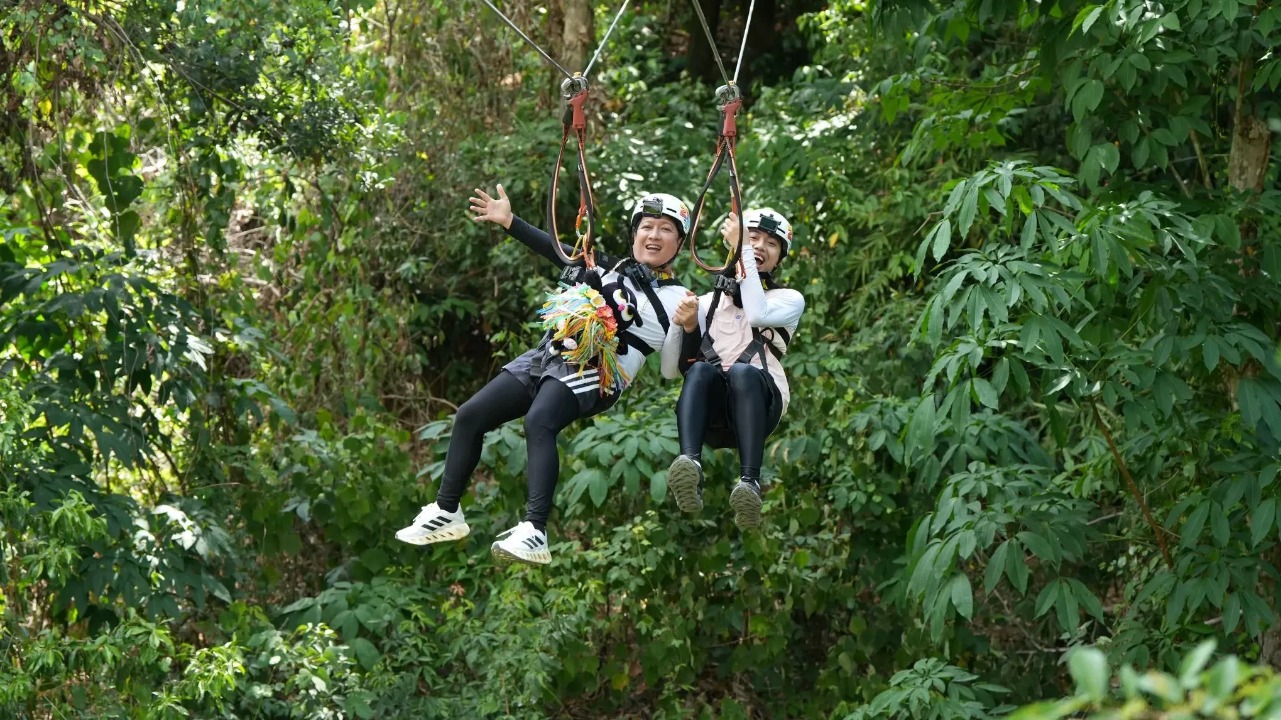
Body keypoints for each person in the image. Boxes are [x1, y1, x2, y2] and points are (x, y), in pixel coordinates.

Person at [395, 185, 691, 565]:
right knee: (471, 415)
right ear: (634, 233)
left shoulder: (678, 298)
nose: (653, 235)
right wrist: (509, 222)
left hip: (599, 370)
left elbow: (670, 370)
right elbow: (558, 252)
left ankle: (535, 530)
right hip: (549, 353)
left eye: (665, 229)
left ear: (679, 243)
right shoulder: (607, 266)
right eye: (647, 226)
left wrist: (687, 326)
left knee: (539, 421)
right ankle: (447, 510)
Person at [660, 209, 805, 530]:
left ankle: (750, 483)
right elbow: (671, 370)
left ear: (779, 259)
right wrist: (682, 325)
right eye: (753, 238)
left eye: (771, 244)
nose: (760, 246)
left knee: (743, 373)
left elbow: (756, 312)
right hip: (712, 416)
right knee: (699, 371)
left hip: (759, 409)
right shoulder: (705, 303)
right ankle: (689, 464)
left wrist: (743, 250)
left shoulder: (788, 299)